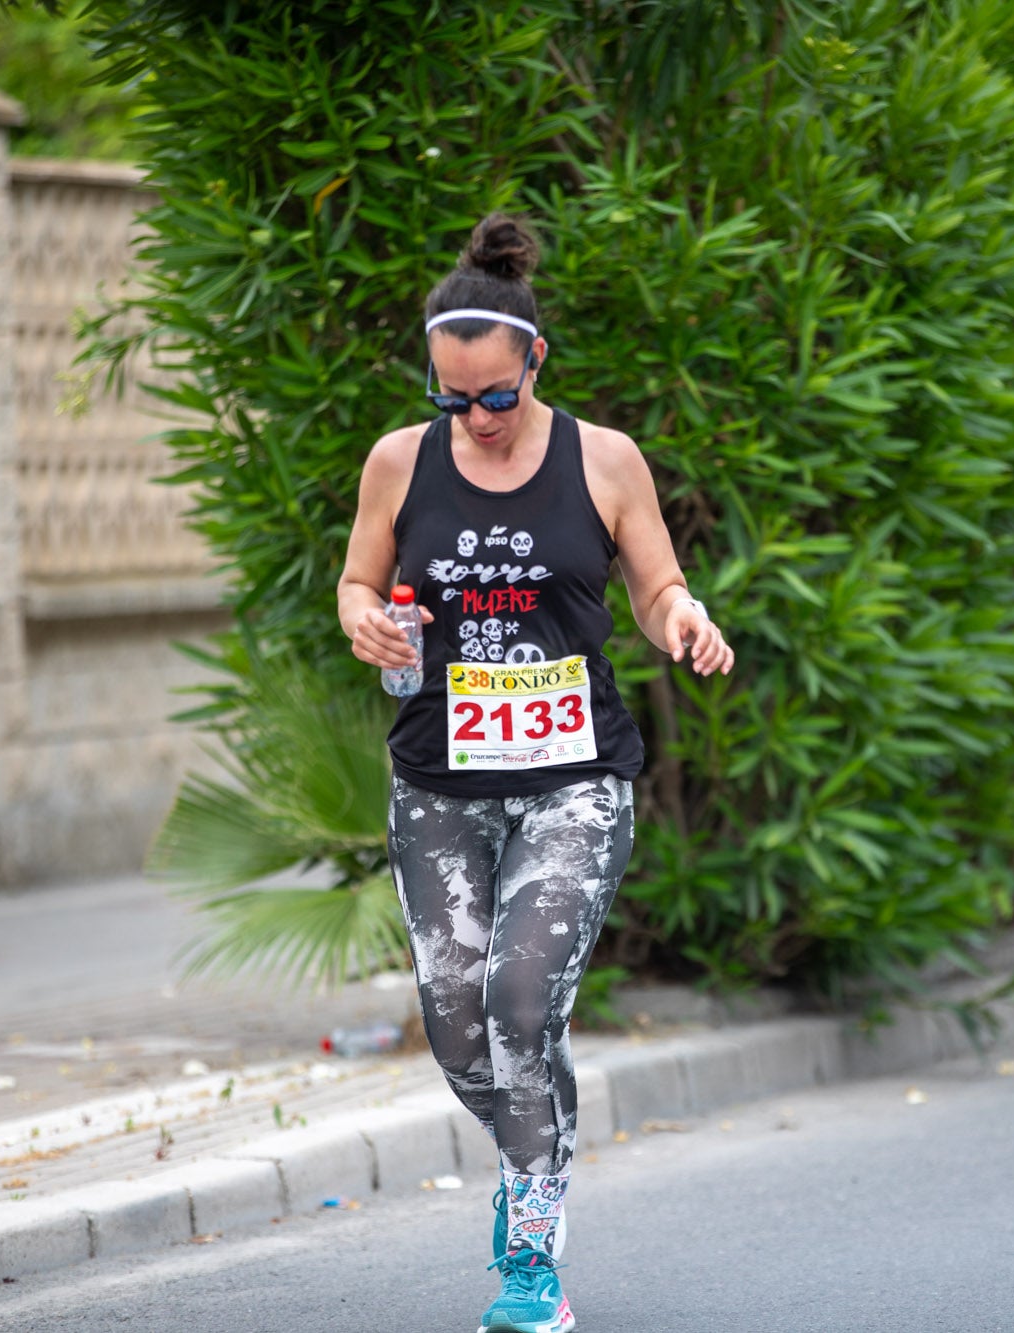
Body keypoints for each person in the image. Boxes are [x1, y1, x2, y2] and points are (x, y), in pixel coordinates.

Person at [337, 212, 733, 1333]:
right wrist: (366, 620)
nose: (476, 420)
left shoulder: (601, 459)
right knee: (460, 1028)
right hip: (437, 782)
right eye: (452, 398)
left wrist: (685, 619)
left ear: (533, 363)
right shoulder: (398, 462)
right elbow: (357, 582)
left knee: (521, 998)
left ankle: (529, 1251)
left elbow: (656, 587)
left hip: (574, 779)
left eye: (495, 397)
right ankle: (540, 1134)